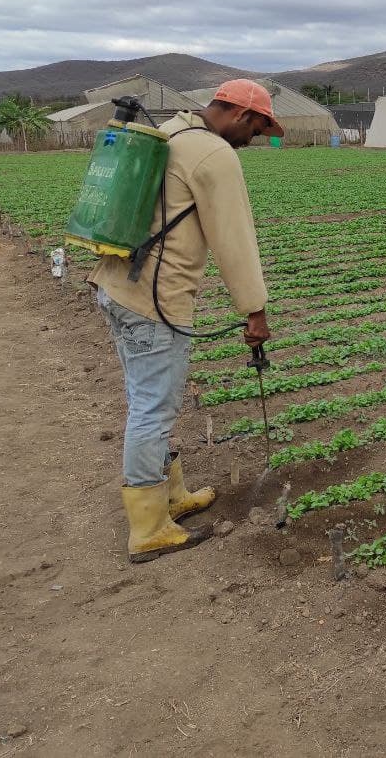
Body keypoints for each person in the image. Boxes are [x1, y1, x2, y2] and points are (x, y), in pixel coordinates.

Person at [88, 79, 283, 562]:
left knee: (147, 399)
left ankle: (169, 496)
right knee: (152, 408)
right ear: (239, 114)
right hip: (153, 300)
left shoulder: (172, 133)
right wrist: (254, 312)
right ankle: (149, 527)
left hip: (116, 286)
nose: (254, 139)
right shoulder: (214, 155)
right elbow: (234, 241)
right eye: (257, 129)